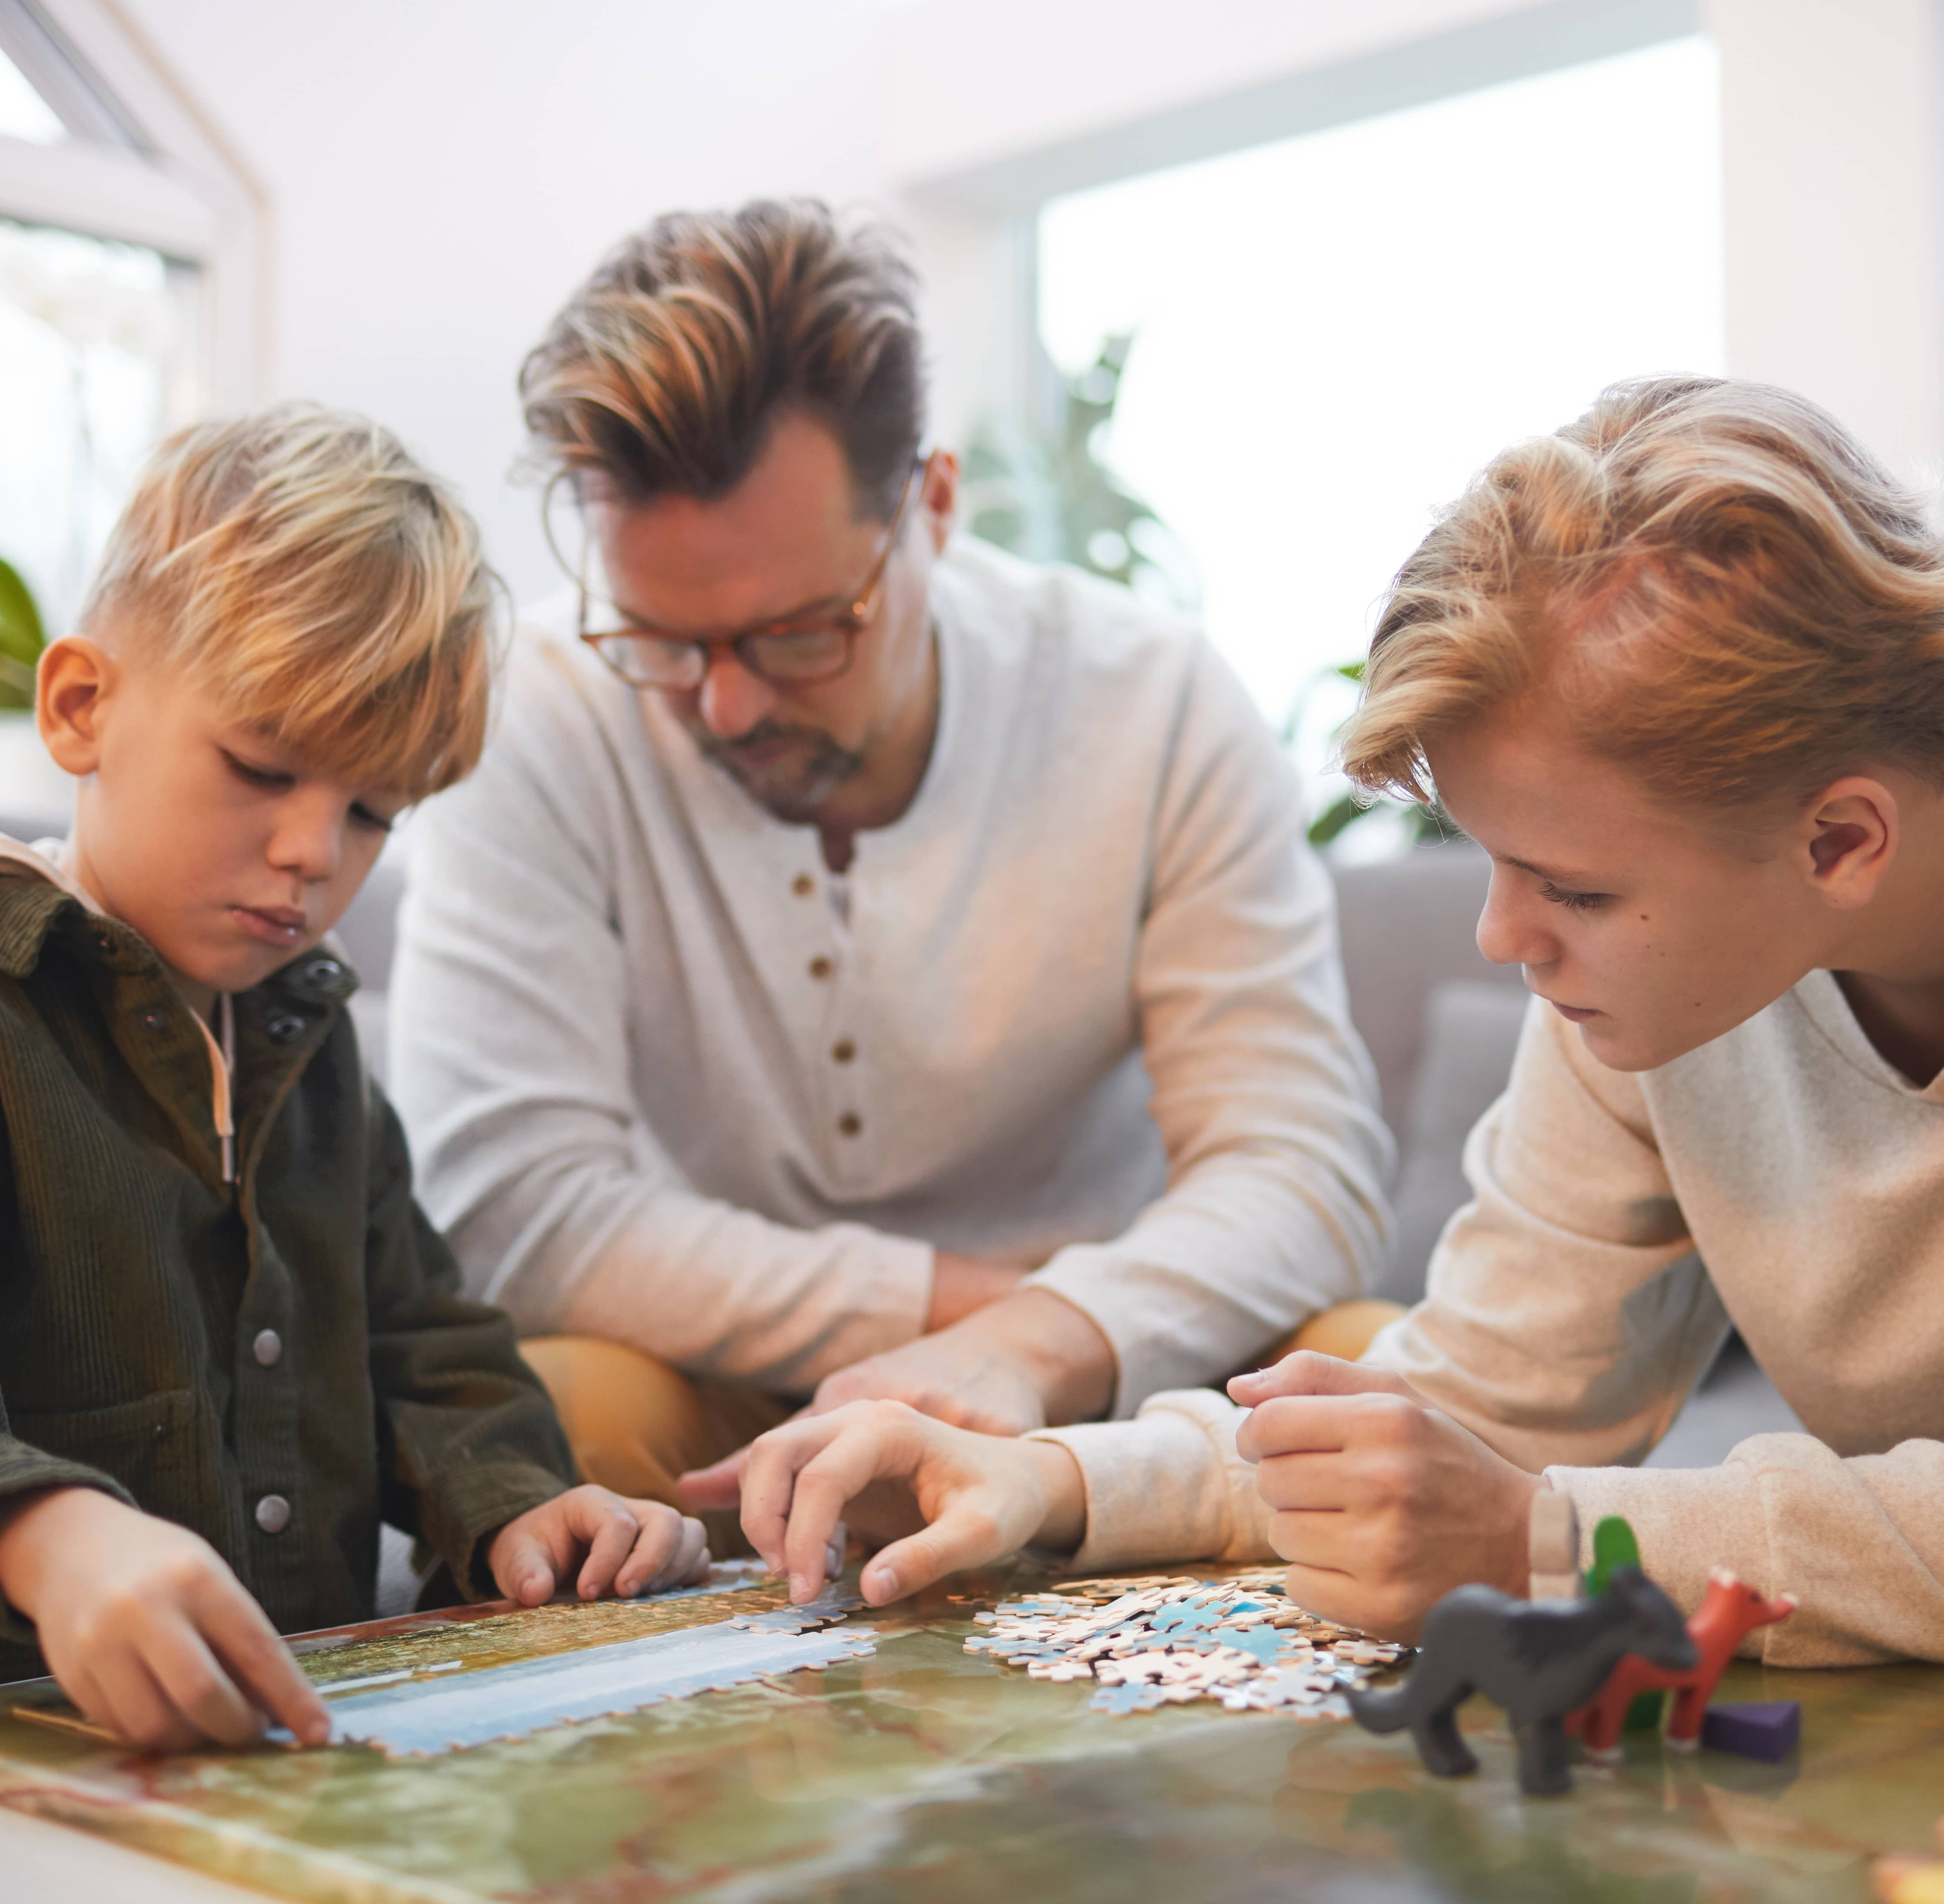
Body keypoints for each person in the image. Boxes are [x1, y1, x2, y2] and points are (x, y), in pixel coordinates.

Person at [691, 374, 1944, 1669]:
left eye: (1574, 888)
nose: (1508, 936)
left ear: (1843, 836)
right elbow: (1481, 1404)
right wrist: (1068, 1480)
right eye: (1496, 861)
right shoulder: (1656, 967)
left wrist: (1547, 1538)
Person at [0, 407, 711, 1745]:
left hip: (250, 1761)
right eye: (262, 768)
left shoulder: (310, 1046)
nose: (311, 851)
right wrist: (41, 1538)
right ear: (80, 707)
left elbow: (418, 1340)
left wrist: (521, 1503)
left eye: (370, 811)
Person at [387, 200, 1394, 1512]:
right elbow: (514, 1209)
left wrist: (1038, 1341)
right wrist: (948, 1310)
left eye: (801, 631)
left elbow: (1302, 1165)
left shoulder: (1152, 699)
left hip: (1107, 1360)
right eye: (664, 641)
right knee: (564, 1409)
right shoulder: (538, 715)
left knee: (1383, 1375)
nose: (726, 706)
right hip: (737, 1374)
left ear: (933, 505)